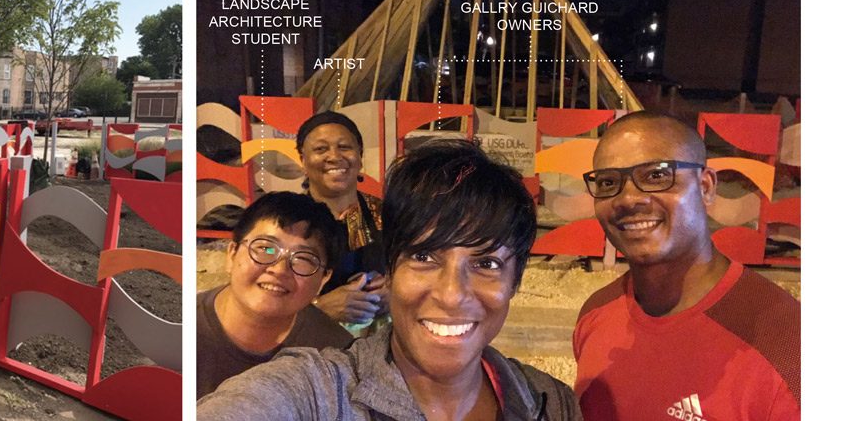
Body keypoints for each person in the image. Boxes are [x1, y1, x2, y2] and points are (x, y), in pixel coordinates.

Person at [199, 140, 580, 421]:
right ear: (391, 271)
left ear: (515, 281)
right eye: (424, 256)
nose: (451, 295)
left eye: (486, 264)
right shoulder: (320, 394)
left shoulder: (550, 403)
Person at [572, 112, 800, 420]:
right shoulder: (595, 315)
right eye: (608, 182)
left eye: (656, 175)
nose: (627, 199)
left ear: (705, 187)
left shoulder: (787, 345)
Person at [197, 192, 355, 397]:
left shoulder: (336, 356)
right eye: (266, 249)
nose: (279, 270)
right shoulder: (182, 328)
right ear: (232, 254)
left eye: (303, 258)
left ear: (324, 279)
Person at [293, 112, 386, 328]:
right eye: (320, 149)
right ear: (303, 161)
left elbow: (417, 272)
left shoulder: (387, 215)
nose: (334, 156)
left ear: (360, 157)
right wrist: (319, 308)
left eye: (345, 147)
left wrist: (394, 292)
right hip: (308, 346)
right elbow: (266, 297)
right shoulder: (287, 221)